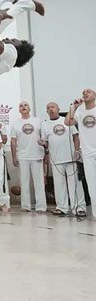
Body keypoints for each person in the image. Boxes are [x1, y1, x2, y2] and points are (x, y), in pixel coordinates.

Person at [41, 102, 85, 217]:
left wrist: (77, 151)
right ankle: (62, 208)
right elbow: (45, 142)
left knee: (75, 184)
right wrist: (43, 143)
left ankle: (79, 208)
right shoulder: (44, 125)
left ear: (58, 108)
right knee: (59, 185)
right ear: (46, 111)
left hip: (70, 157)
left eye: (53, 107)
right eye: (48, 108)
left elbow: (76, 136)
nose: (51, 109)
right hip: (56, 160)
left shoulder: (66, 120)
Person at [65, 88, 96, 219]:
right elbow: (68, 122)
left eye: (88, 91)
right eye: (83, 92)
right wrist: (74, 107)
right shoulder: (80, 110)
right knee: (92, 183)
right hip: (88, 153)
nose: (85, 93)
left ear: (95, 95)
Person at [10, 101, 46, 213]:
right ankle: (25, 206)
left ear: (29, 108)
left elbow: (43, 138)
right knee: (24, 182)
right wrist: (14, 156)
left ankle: (41, 207)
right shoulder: (15, 123)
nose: (23, 107)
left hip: (36, 155)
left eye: (25, 105)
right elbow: (13, 141)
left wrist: (44, 147)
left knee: (39, 183)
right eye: (21, 105)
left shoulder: (38, 121)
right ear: (19, 110)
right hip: (22, 156)